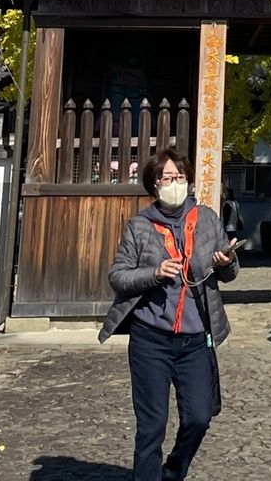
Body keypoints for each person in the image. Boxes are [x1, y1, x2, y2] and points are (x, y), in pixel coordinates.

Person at [99, 149, 239, 481]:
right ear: (154, 184)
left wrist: (226, 262)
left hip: (195, 340)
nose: (174, 183)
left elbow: (230, 274)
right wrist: (154, 272)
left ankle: (173, 471)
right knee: (151, 426)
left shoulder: (206, 219)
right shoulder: (140, 226)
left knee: (199, 417)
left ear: (188, 181)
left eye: (179, 177)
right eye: (166, 178)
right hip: (151, 341)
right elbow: (118, 276)